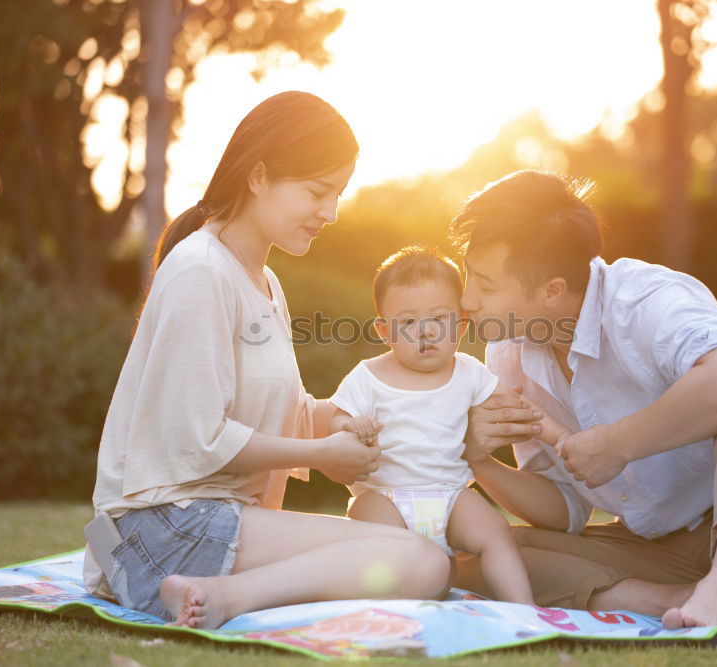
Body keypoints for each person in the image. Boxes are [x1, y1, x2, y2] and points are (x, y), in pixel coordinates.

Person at [83, 91, 451, 630]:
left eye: (338, 194)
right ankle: (224, 597)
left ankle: (222, 589)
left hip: (205, 523)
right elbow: (196, 438)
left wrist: (339, 422)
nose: (331, 212)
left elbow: (280, 407)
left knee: (417, 558)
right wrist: (321, 453)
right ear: (258, 177)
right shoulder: (200, 272)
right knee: (420, 562)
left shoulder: (263, 280)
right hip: (160, 532)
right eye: (318, 192)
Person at [450, 170, 717, 631]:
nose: (467, 299)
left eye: (486, 286)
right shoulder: (509, 354)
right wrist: (478, 460)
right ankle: (663, 598)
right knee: (484, 551)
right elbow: (564, 511)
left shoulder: (645, 302)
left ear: (552, 290)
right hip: (668, 552)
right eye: (470, 275)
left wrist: (615, 444)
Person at [327, 247, 534, 605]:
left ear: (462, 323)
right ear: (383, 330)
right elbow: (336, 418)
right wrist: (350, 425)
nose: (426, 332)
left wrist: (557, 435)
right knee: (377, 539)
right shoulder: (368, 377)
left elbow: (515, 405)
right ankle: (387, 606)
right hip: (384, 496)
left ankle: (525, 611)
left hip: (450, 495)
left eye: (440, 318)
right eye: (408, 322)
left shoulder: (469, 371)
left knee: (497, 533)